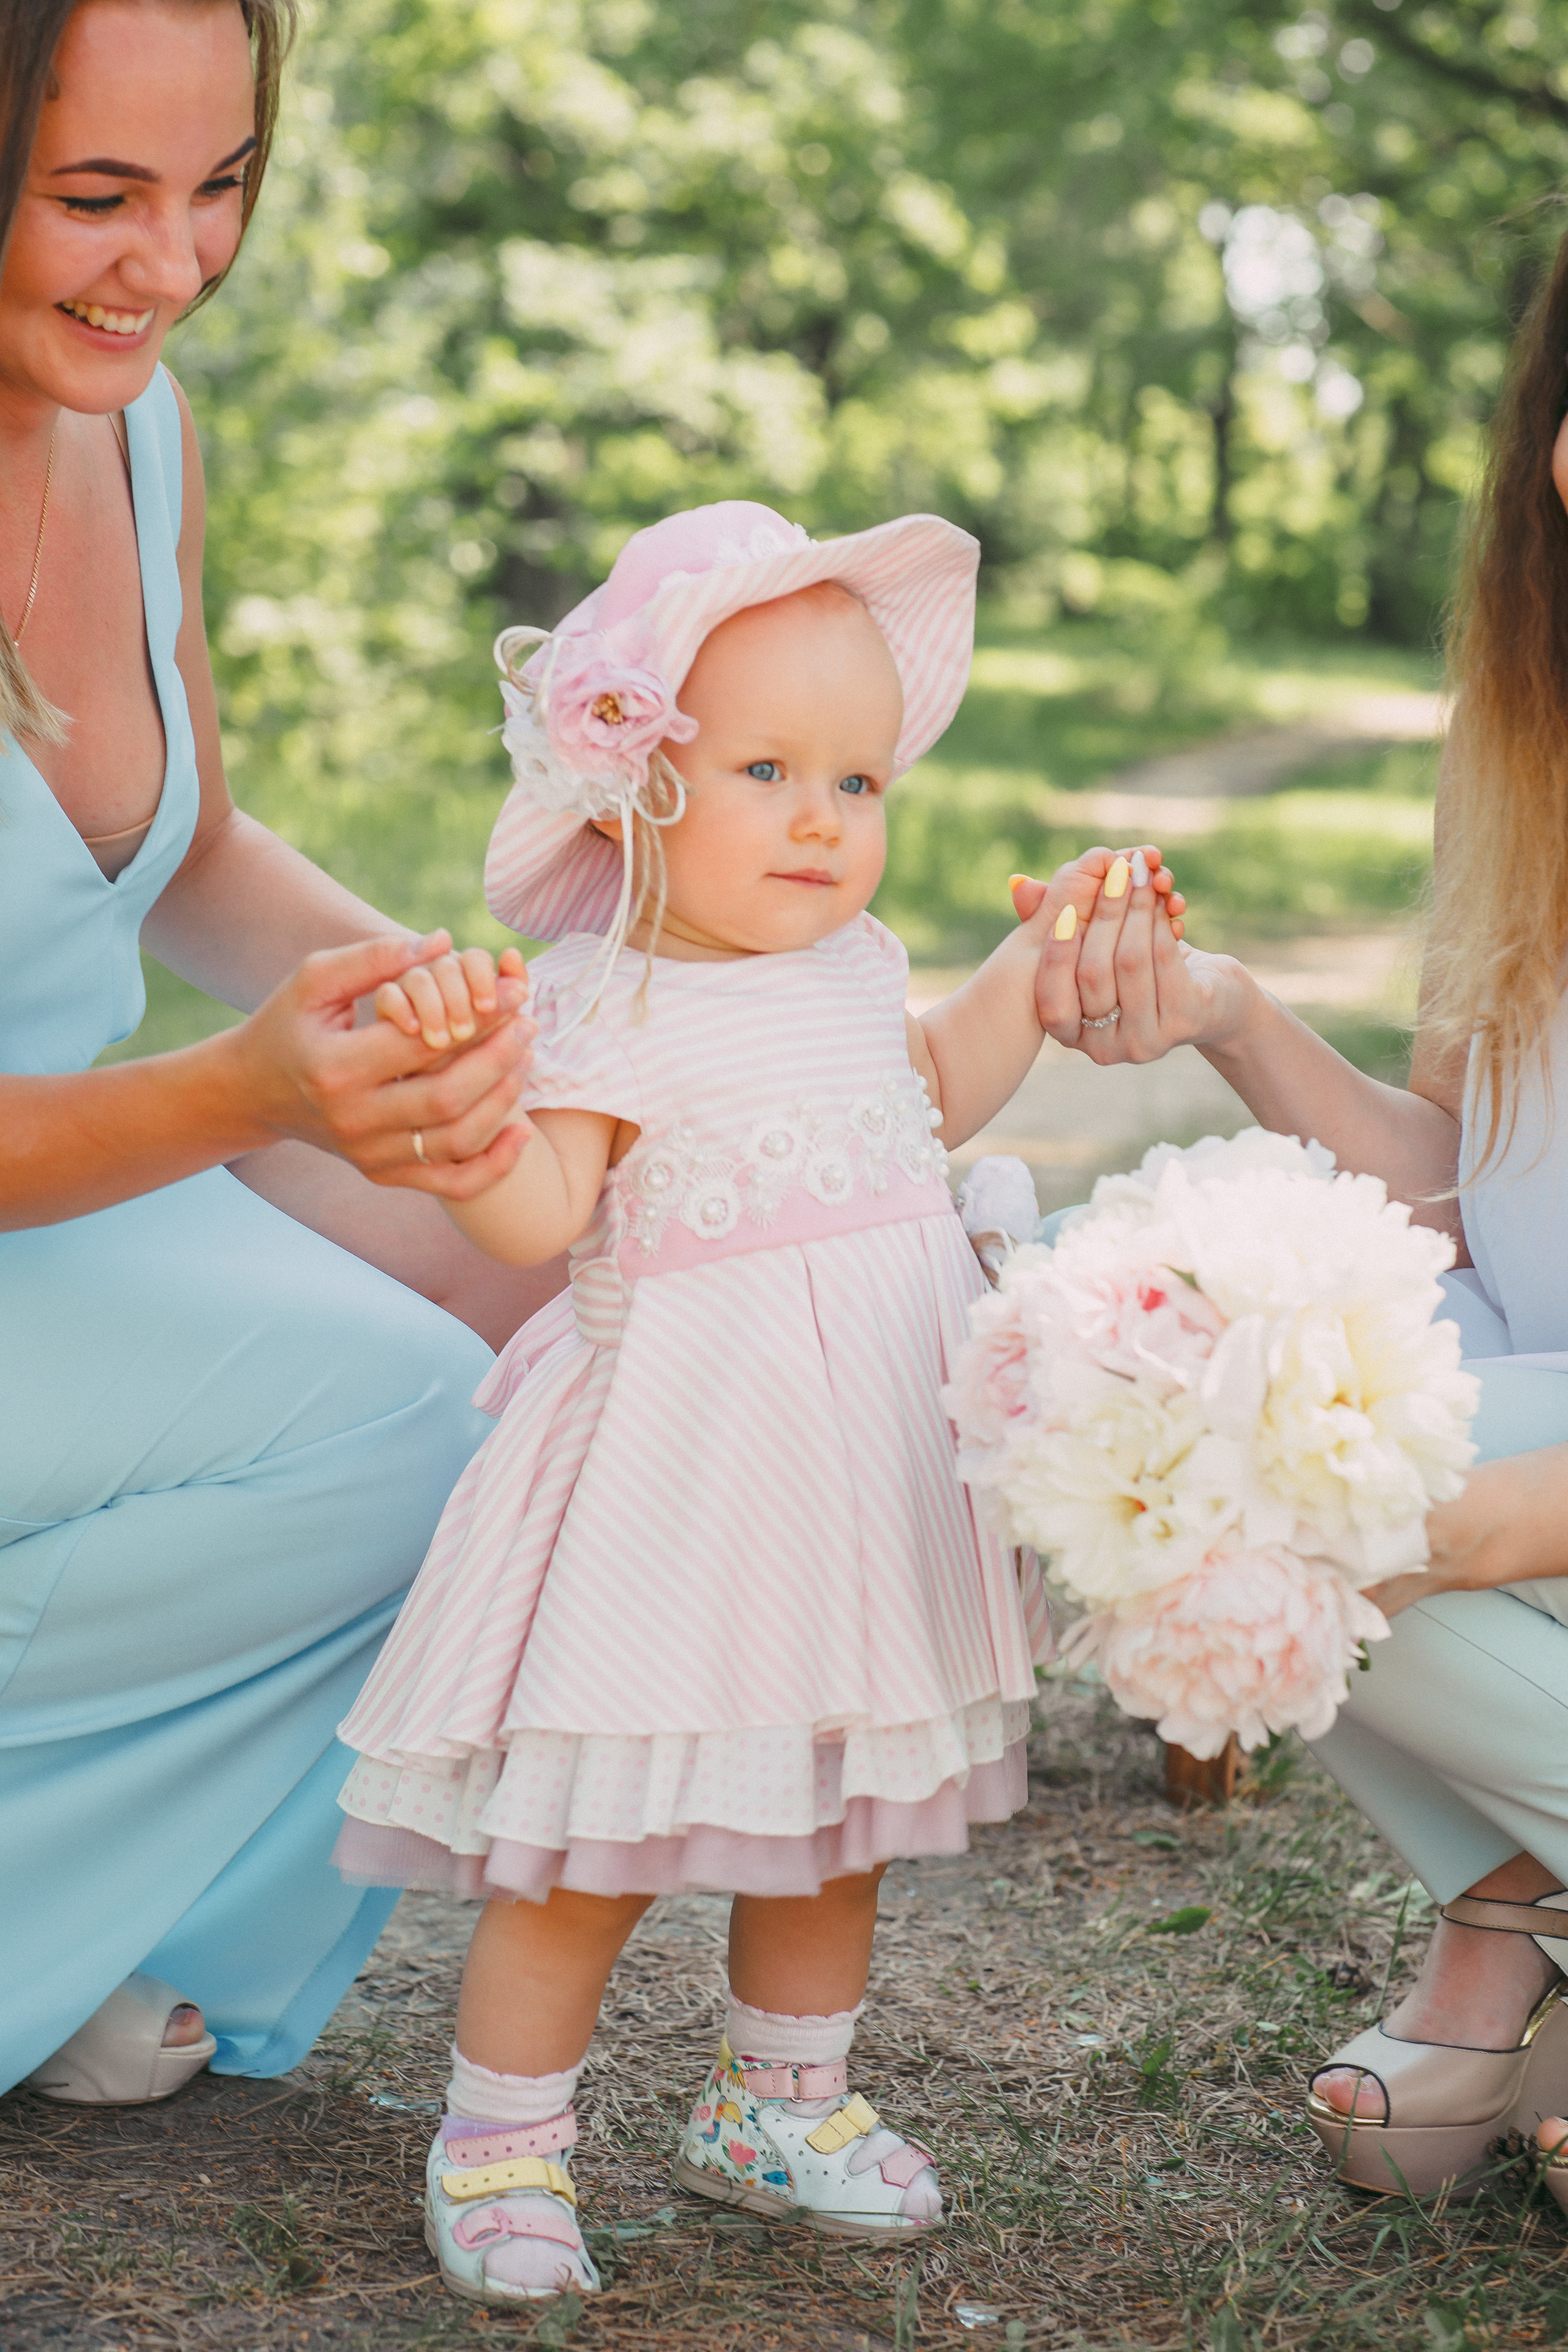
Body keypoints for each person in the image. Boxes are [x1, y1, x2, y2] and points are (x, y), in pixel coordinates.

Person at [328, 499, 1186, 2303]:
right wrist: (472, 1131)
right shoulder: (605, 1000)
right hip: (679, 1488)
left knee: (834, 1822)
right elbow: (544, 1216)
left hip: (855, 1481)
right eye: (770, 771)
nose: (822, 820)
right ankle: (502, 2138)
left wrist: (1032, 968)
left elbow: (935, 1091)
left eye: (859, 783)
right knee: (590, 1849)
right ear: (631, 790)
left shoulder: (857, 968)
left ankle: (779, 2104)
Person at [1, 0, 559, 2105]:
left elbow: (195, 853)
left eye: (217, 185)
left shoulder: (138, 430)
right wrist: (249, 1092)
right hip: (60, 1174)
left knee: (542, 1281)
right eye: (96, 196)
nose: (171, 265)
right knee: (408, 1422)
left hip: (84, 1185)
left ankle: (97, 1908)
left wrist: (468, 1008)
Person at [1008, 214, 1568, 2206]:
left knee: (1296, 1480)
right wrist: (1229, 1016)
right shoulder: (1529, 741)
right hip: (1542, 1390)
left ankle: (1509, 1919)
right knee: (1157, 1392)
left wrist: (1459, 1516)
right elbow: (1471, 1200)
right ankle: (1514, 1904)